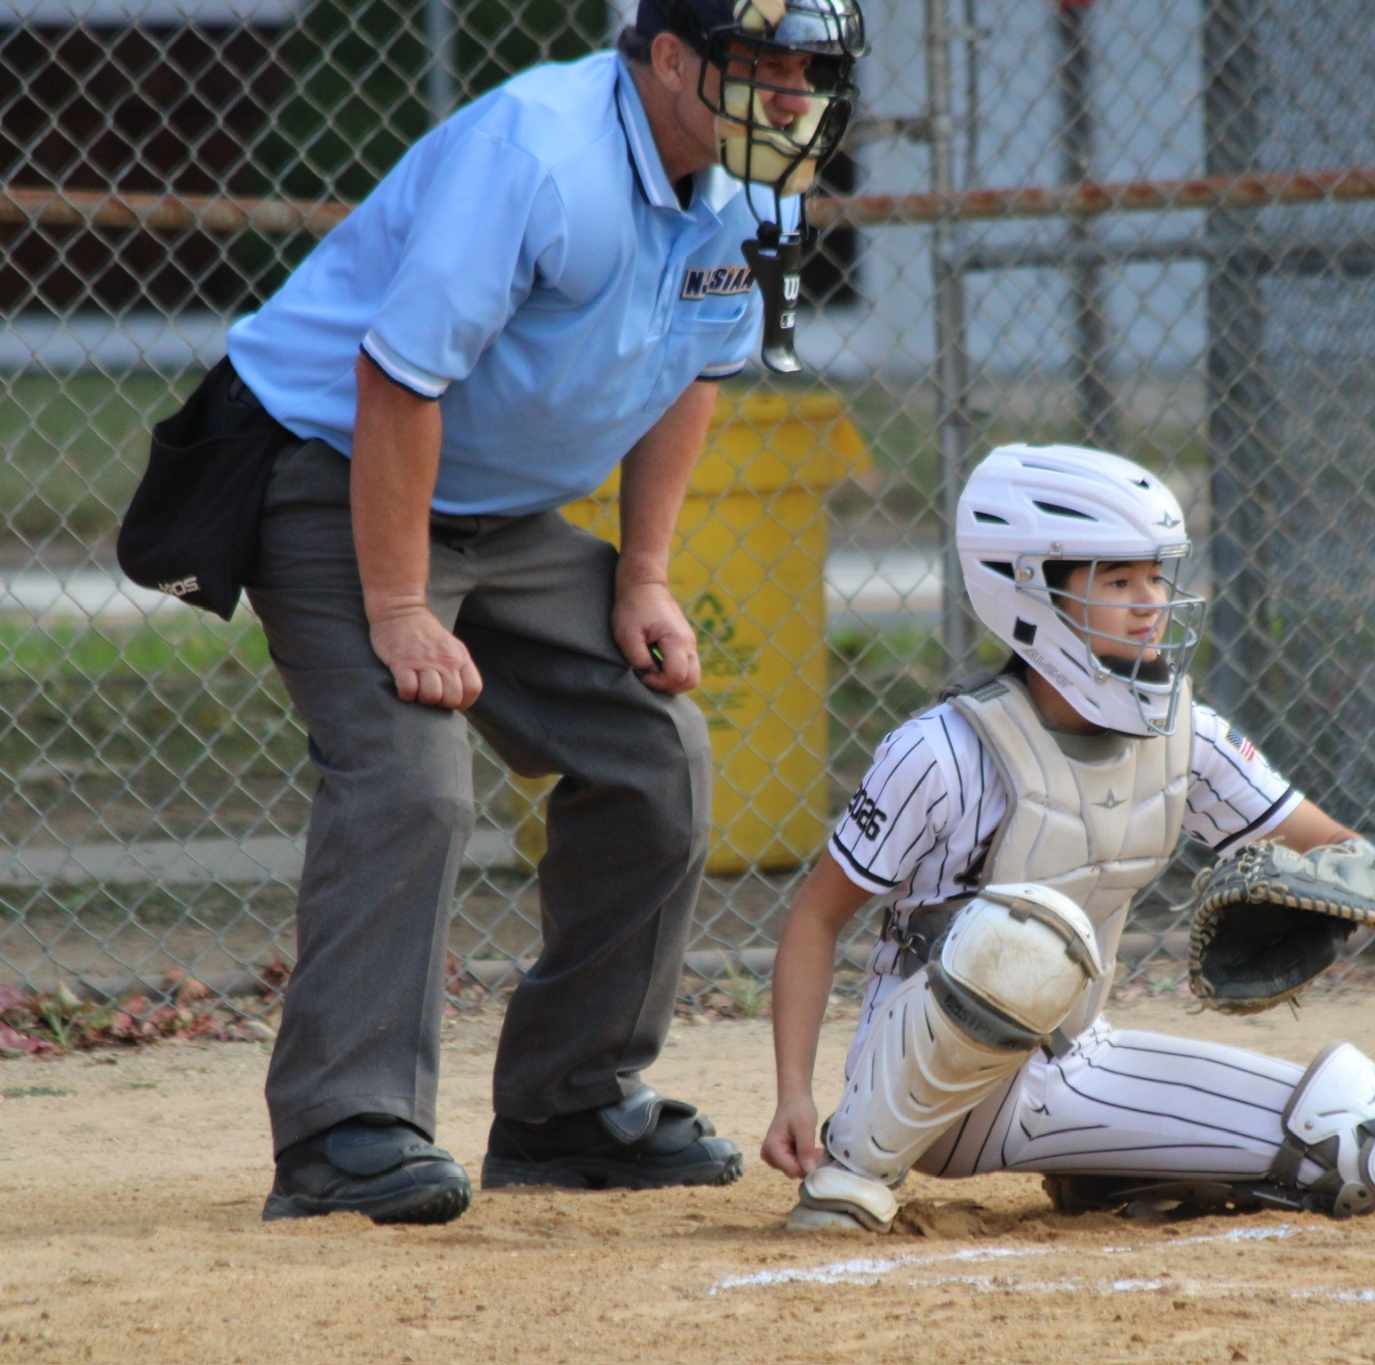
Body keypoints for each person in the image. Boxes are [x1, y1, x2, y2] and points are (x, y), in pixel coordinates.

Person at [224, 0, 867, 1224]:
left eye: (810, 72)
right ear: (669, 58)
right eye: (762, 69)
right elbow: (395, 375)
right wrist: (403, 606)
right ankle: (341, 1130)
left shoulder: (752, 177)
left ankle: (568, 1106)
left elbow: (695, 370)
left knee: (652, 753)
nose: (790, 98)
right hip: (329, 472)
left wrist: (641, 575)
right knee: (410, 781)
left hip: (499, 512)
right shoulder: (539, 151)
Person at [760, 443, 1375, 1233]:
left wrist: (1336, 888)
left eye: (1157, 575)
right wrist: (796, 1093)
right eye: (1119, 580)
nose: (1151, 601)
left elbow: (1342, 850)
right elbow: (816, 918)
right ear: (1033, 593)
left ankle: (1102, 1163)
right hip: (922, 1088)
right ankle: (855, 1170)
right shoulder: (944, 750)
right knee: (1022, 939)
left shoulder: (1184, 733)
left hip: (1069, 1065)